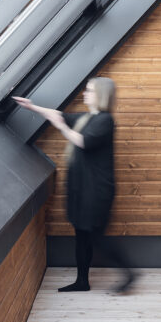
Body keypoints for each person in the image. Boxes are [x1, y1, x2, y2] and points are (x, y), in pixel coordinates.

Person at [13, 77, 135, 293]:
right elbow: (59, 116)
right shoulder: (88, 118)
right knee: (81, 234)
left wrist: (61, 128)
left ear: (101, 95)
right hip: (82, 188)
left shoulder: (105, 121)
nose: (85, 94)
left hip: (96, 191)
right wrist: (32, 106)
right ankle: (82, 281)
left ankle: (129, 274)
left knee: (96, 236)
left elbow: (83, 142)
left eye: (90, 90)